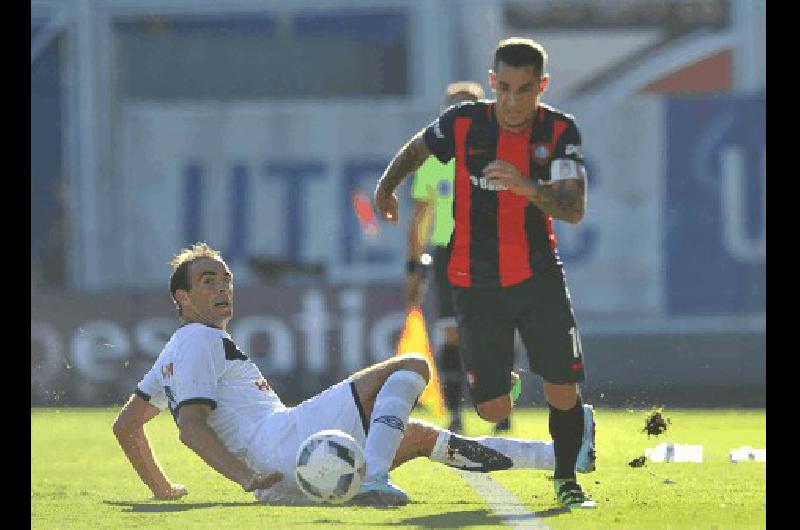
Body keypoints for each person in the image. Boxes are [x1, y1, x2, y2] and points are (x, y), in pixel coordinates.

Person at [112, 243, 596, 508]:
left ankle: (564, 452)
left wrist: (162, 488)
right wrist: (246, 477)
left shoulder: (176, 352)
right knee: (411, 366)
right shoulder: (199, 340)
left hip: (287, 469)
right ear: (183, 299)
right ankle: (375, 477)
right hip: (284, 444)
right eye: (207, 281)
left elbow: (126, 426)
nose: (221, 288)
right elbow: (190, 426)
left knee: (420, 436)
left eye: (225, 279)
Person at [373, 37, 596, 509]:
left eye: (526, 90)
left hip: (538, 277)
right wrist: (386, 187)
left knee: (562, 387)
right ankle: (500, 383)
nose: (514, 102)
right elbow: (418, 147)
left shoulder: (559, 132)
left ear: (543, 86)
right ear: (492, 82)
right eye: (506, 88)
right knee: (493, 408)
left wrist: (524, 185)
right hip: (475, 282)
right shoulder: (464, 123)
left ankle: (566, 480)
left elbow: (573, 209)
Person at [407, 80, 512, 435]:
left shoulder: (498, 156)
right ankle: (455, 412)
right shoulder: (433, 162)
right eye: (452, 109)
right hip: (449, 251)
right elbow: (420, 218)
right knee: (451, 332)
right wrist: (414, 264)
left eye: (466, 108)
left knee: (496, 329)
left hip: (490, 249)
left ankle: (501, 406)